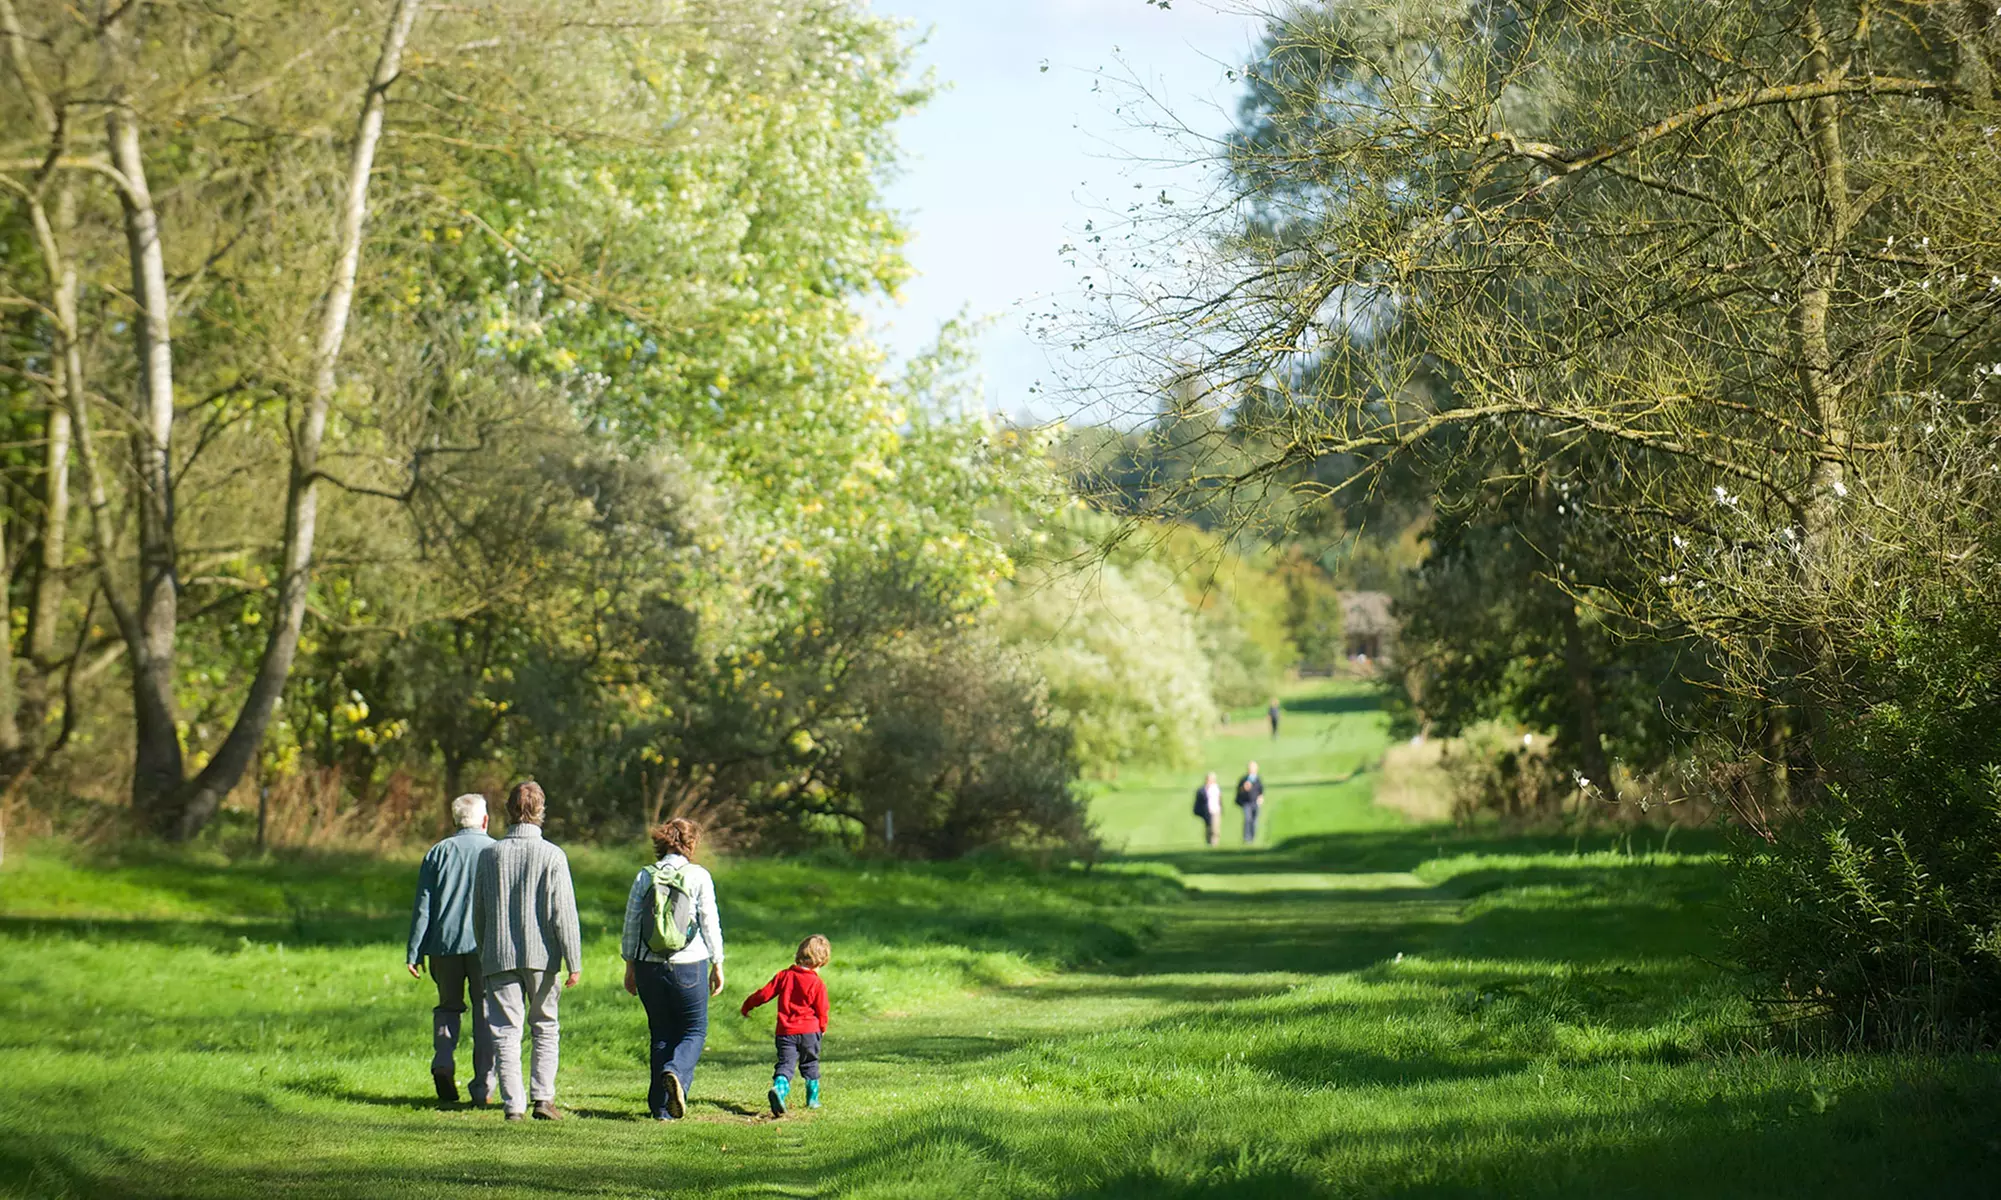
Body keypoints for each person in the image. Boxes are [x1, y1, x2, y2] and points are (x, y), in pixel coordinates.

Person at [473, 781, 582, 1122]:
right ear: (541, 811)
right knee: (545, 1025)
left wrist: (484, 949)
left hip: (498, 953)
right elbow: (562, 912)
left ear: (508, 810)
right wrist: (573, 959)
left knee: (506, 1030)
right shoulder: (552, 855)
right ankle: (542, 1099)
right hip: (543, 955)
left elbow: (479, 910)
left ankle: (512, 1106)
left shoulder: (489, 855)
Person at [621, 817, 726, 1122]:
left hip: (647, 965)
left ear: (661, 841)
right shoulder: (698, 876)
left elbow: (630, 924)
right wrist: (717, 963)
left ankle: (660, 1108)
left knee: (661, 1034)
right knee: (694, 1029)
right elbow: (710, 923)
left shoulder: (644, 876)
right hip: (689, 964)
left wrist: (630, 966)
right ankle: (675, 1071)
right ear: (691, 844)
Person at [405, 792, 496, 1106]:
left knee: (447, 1008)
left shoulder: (438, 852)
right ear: (484, 820)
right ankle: (483, 1086)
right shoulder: (495, 850)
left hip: (443, 945)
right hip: (485, 946)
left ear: (455, 821)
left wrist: (415, 950)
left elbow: (423, 907)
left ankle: (443, 1060)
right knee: (486, 1015)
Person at [741, 935, 831, 1116]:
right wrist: (822, 1027)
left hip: (785, 1032)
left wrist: (748, 1004)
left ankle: (780, 1090)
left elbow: (764, 994)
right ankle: (812, 1099)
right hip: (809, 1031)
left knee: (785, 1064)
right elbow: (822, 1009)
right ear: (821, 962)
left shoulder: (784, 976)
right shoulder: (817, 983)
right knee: (810, 1063)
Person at [1235, 762, 1265, 845]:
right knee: (1247, 819)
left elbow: (1261, 791)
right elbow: (1238, 792)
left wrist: (1260, 798)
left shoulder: (1258, 779)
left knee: (1254, 821)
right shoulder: (1244, 779)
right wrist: (1244, 788)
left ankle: (1252, 837)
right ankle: (1247, 838)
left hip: (1255, 802)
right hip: (1246, 803)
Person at [1192, 772, 1222, 847]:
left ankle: (1214, 843)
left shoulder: (1216, 788)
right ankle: (1208, 842)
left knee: (1215, 827)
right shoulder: (1202, 789)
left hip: (1215, 810)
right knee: (1208, 827)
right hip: (1206, 811)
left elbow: (1219, 799)